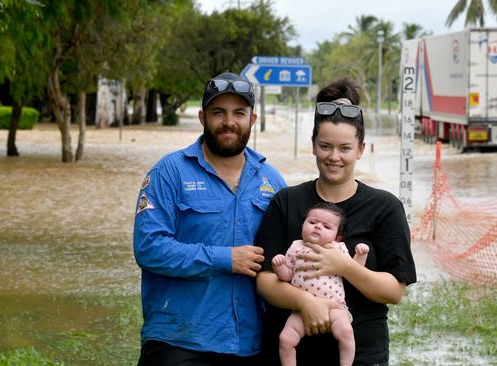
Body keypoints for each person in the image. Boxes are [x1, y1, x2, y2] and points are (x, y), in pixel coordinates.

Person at [256, 78, 417, 366]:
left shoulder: (385, 207)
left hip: (362, 353)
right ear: (313, 146)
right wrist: (305, 302)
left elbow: (394, 291)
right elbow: (265, 280)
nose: (334, 157)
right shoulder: (286, 201)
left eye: (345, 148)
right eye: (325, 146)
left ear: (360, 149)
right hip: (291, 353)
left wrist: (343, 266)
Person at [133, 71, 287, 366]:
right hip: (177, 341)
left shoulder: (272, 180)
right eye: (219, 112)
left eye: (239, 113)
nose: (229, 122)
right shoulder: (169, 172)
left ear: (252, 120)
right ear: (203, 117)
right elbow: (149, 248)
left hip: (251, 343)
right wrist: (225, 259)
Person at [272, 202, 369, 366]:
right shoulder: (296, 246)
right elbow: (287, 276)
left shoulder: (338, 248)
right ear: (303, 225)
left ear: (337, 236)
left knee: (346, 331)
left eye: (326, 226)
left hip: (335, 307)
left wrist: (361, 255)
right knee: (285, 339)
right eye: (312, 222)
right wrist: (278, 266)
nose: (317, 227)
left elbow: (354, 271)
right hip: (302, 309)